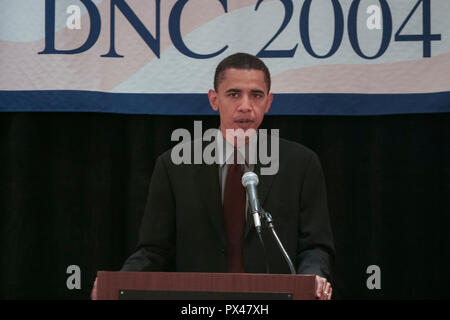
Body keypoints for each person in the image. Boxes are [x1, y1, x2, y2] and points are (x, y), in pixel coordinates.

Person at [91, 53, 335, 300]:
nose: (245, 106)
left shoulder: (300, 164)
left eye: (256, 95)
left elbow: (315, 246)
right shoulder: (174, 166)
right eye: (233, 94)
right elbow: (154, 250)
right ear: (214, 100)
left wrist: (313, 278)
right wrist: (120, 283)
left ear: (269, 102)